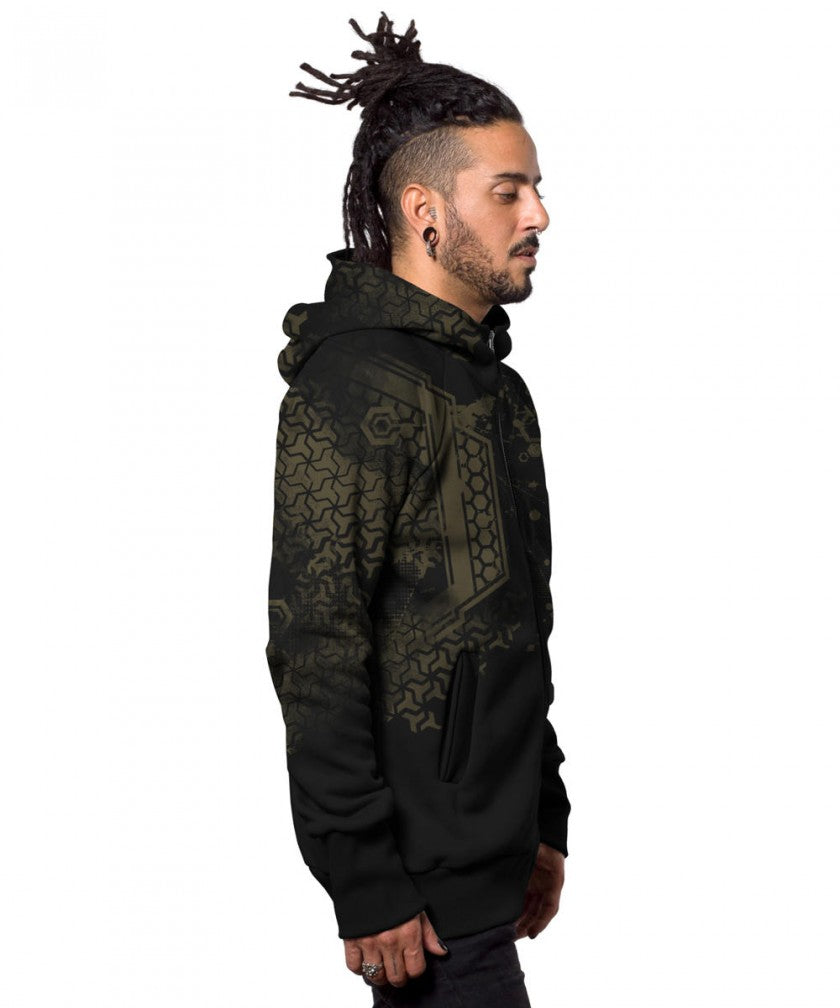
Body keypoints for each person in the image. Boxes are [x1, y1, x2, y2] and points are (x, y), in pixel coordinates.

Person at [266, 13, 571, 1006]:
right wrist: (364, 880)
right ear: (425, 211)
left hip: (490, 866)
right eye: (507, 192)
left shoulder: (496, 390)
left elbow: (513, 627)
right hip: (421, 903)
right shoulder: (351, 387)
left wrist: (543, 819)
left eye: (536, 188)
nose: (539, 215)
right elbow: (315, 645)